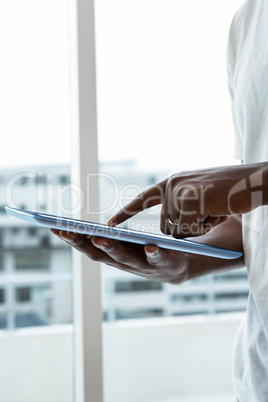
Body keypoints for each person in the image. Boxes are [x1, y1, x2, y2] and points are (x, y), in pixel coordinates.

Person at [51, 0, 268, 400]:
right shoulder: (247, 23)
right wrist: (185, 260)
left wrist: (258, 180)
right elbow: (254, 220)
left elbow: (257, 187)